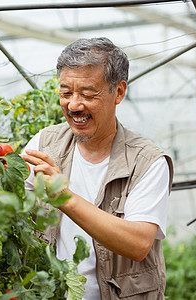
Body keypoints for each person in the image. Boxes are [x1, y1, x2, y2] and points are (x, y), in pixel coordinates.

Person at [22, 37, 173, 299]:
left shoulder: (147, 162)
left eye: (88, 94)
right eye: (66, 93)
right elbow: (7, 197)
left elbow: (138, 243)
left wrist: (64, 197)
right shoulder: (45, 143)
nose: (74, 105)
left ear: (119, 92)